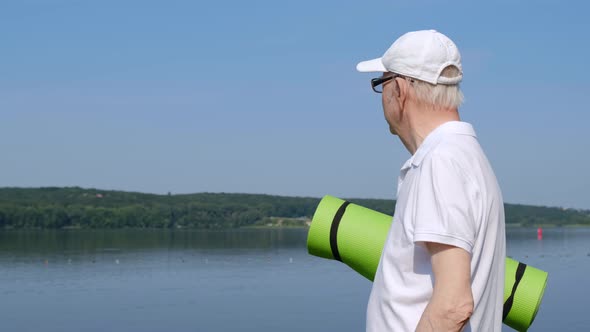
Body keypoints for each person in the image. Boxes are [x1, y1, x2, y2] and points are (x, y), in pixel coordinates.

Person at [356, 30, 506, 332]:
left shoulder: (441, 162)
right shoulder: (462, 155)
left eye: (380, 84)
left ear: (398, 89)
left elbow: (453, 306)